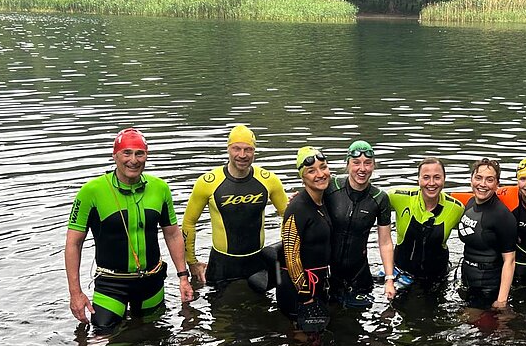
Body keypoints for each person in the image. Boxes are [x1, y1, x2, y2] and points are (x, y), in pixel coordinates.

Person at [65, 128, 193, 333]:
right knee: (99, 338)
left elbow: (173, 233)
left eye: (139, 153)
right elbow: (73, 243)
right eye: (127, 153)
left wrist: (183, 277)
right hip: (111, 284)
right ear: (115, 155)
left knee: (156, 337)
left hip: (152, 282)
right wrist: (75, 293)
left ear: (146, 156)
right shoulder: (91, 192)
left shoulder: (160, 188)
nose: (133, 160)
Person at [181, 125, 288, 289]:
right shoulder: (207, 183)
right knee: (220, 312)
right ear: (228, 149)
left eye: (248, 149)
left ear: (254, 151)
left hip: (257, 262)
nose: (242, 155)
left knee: (259, 309)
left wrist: (287, 254)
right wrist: (192, 262)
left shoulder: (269, 180)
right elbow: (189, 222)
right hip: (222, 264)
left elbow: (288, 216)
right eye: (236, 149)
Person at [454, 157, 526, 288]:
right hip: (520, 260)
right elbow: (473, 198)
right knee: (519, 298)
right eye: (523, 179)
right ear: (517, 182)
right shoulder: (507, 195)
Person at [324, 140, 396, 307]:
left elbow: (385, 242)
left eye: (368, 163)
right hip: (327, 271)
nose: (362, 169)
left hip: (359, 274)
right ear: (347, 164)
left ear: (374, 166)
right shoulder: (330, 186)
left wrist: (389, 279)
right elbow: (308, 201)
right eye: (356, 163)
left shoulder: (379, 198)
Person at [387, 157, 465, 290]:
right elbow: (371, 202)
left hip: (437, 278)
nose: (432, 183)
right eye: (426, 177)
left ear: (444, 180)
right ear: (418, 179)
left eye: (437, 177)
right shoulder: (398, 197)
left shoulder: (456, 209)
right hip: (401, 274)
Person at [278, 146, 332, 332]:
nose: (320, 174)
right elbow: (291, 256)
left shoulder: (322, 199)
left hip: (317, 284)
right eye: (311, 171)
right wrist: (306, 297)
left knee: (317, 345)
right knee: (301, 344)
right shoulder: (297, 209)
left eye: (323, 167)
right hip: (297, 290)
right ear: (303, 177)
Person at [456, 158, 518, 309]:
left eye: (489, 180)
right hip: (467, 278)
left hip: (488, 285)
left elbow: (510, 260)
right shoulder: (470, 203)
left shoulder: (502, 215)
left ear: (497, 184)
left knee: (467, 324)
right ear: (471, 179)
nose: (482, 184)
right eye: (478, 178)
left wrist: (501, 301)